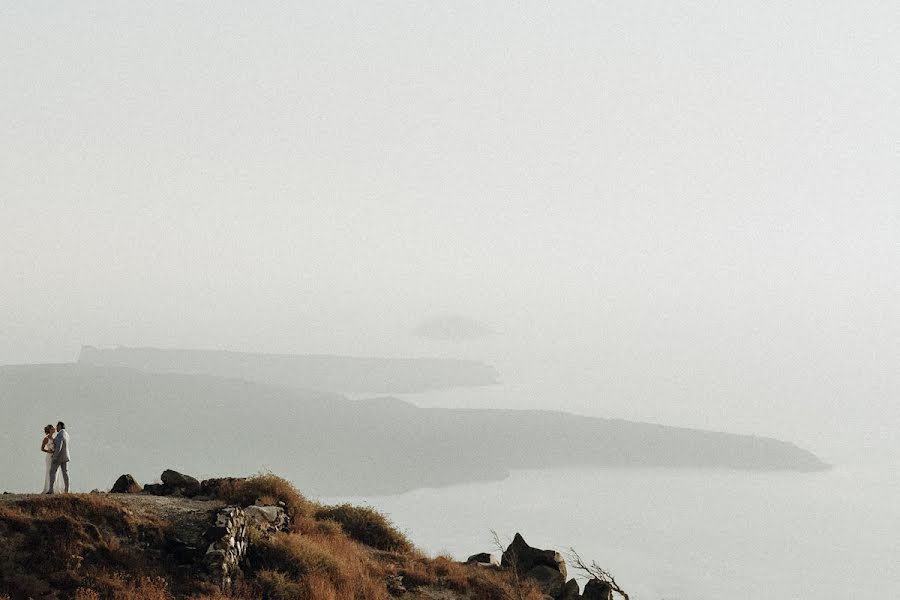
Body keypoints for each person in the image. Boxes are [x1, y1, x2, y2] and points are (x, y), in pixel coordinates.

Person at [46, 421, 70, 494]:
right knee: (65, 473)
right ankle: (67, 490)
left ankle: (51, 489)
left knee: (52, 472)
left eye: (57, 426)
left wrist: (55, 457)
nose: (56, 428)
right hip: (65, 456)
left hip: (59, 457)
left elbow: (59, 447)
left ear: (60, 426)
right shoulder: (66, 434)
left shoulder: (60, 434)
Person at [40, 424, 60, 493]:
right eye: (52, 429)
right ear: (50, 430)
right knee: (49, 471)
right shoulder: (46, 438)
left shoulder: (54, 438)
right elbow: (42, 448)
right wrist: (48, 451)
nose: (54, 429)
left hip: (55, 456)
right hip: (49, 457)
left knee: (56, 471)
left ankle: (55, 488)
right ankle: (48, 488)